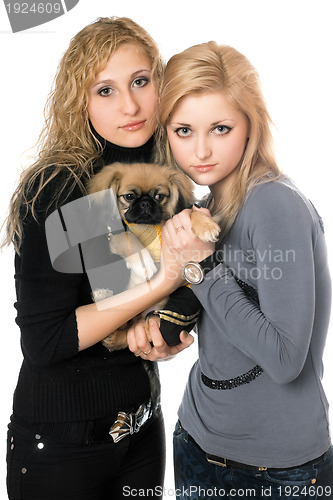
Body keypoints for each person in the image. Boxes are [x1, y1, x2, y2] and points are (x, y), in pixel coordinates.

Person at [129, 42, 333, 498]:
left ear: (250, 125)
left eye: (220, 128)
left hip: (276, 471)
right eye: (183, 130)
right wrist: (172, 336)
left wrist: (201, 265)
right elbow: (230, 325)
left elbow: (284, 360)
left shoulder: (273, 204)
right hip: (198, 442)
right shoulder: (208, 204)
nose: (200, 150)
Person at [2, 17, 193, 500]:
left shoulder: (164, 176)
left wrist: (165, 330)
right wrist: (160, 283)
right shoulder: (63, 189)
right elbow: (47, 340)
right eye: (104, 90)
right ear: (80, 102)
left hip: (142, 429)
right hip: (64, 447)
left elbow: (184, 283)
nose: (130, 105)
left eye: (140, 81)